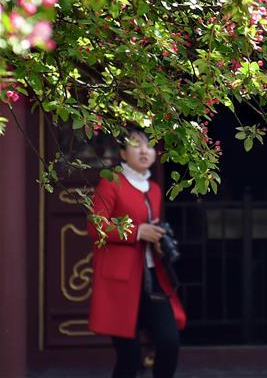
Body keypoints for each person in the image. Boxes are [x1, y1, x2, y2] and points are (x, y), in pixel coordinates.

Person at [87, 129, 186, 378]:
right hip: (121, 282)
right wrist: (137, 232)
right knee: (129, 359)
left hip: (153, 278)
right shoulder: (111, 182)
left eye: (150, 146)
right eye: (136, 145)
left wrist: (159, 241)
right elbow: (96, 226)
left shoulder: (153, 188)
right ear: (122, 153)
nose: (144, 151)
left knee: (169, 341)